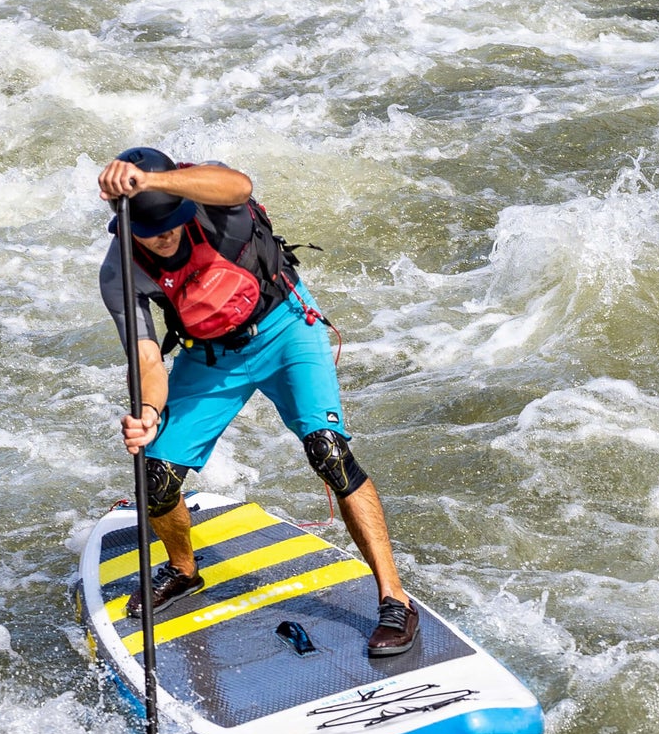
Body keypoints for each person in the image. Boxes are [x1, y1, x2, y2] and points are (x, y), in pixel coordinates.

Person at [98, 146, 419, 660]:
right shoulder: (121, 271)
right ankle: (183, 571)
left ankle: (396, 600)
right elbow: (147, 358)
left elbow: (239, 186)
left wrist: (155, 183)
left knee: (329, 452)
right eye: (151, 229)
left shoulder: (214, 210)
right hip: (210, 356)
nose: (165, 235)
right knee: (155, 479)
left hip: (286, 328)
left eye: (172, 222)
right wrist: (151, 414)